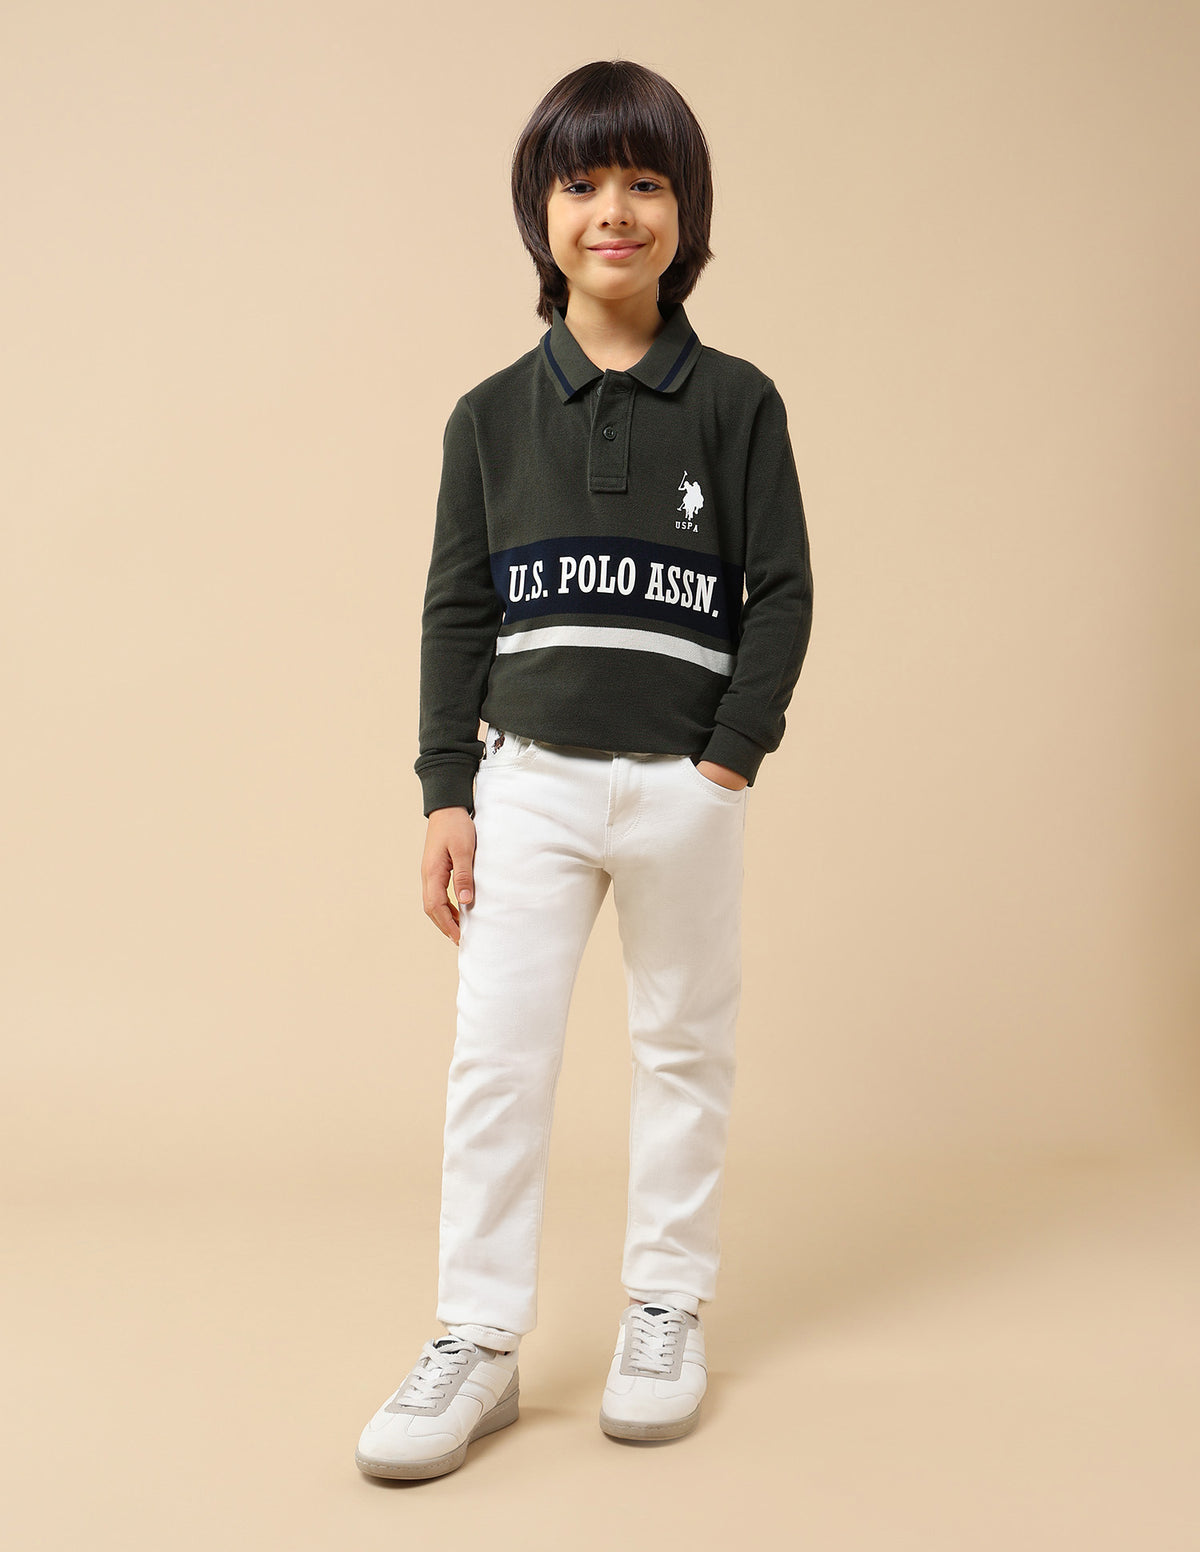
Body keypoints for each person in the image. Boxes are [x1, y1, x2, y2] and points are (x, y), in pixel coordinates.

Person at [356, 57, 813, 1481]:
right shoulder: (489, 417)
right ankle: (478, 1340)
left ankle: (664, 1309)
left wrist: (729, 759)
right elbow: (456, 611)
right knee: (498, 1061)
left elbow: (783, 592)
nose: (614, 211)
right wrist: (446, 791)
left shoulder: (736, 403)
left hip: (684, 791)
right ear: (540, 214)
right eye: (583, 184)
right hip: (529, 787)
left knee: (684, 1048)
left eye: (645, 183)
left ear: (687, 213)